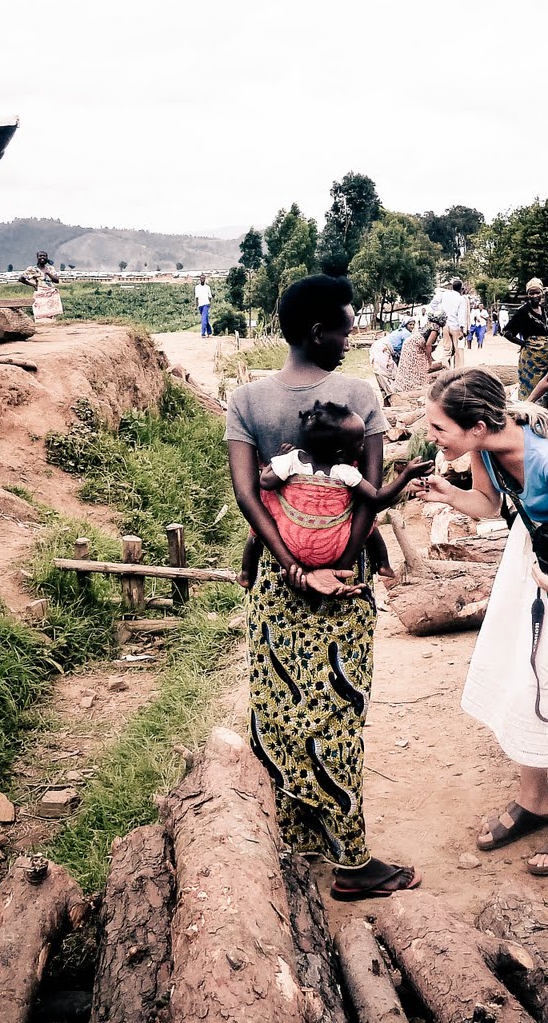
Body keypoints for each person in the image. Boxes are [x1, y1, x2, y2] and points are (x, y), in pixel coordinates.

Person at [225, 274, 418, 901]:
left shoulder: (248, 400)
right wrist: (339, 559)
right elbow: (367, 492)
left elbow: (250, 496)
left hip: (283, 584)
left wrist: (291, 565)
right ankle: (353, 863)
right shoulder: (357, 394)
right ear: (317, 331)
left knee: (280, 710)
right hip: (344, 580)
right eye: (344, 325)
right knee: (336, 712)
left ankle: (295, 841)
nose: (349, 335)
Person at [414, 368, 548, 875]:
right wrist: (449, 494)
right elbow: (489, 505)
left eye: (440, 428)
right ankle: (534, 799)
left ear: (480, 424)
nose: (431, 436)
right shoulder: (485, 446)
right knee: (520, 675)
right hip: (530, 561)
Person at [238, 400, 432, 590]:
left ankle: (246, 574)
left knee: (257, 527)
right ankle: (382, 563)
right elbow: (376, 496)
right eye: (359, 443)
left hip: (290, 544)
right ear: (340, 453)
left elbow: (266, 483)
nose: (363, 448)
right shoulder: (345, 471)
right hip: (333, 548)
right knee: (368, 522)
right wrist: (406, 475)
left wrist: (273, 463)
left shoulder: (291, 460)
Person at [503, 279, 548, 412]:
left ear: (542, 293)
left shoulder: (544, 309)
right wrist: (523, 344)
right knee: (531, 388)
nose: (535, 296)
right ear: (527, 294)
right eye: (531, 293)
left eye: (537, 293)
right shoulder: (522, 312)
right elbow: (506, 332)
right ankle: (529, 414)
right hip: (531, 359)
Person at [391, 313, 448, 395]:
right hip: (413, 346)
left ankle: (408, 387)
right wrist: (429, 362)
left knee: (414, 366)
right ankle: (411, 388)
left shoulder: (431, 324)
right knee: (417, 367)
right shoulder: (435, 327)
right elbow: (428, 344)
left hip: (413, 344)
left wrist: (430, 358)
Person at [18, 251, 63, 321]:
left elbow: (56, 280)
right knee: (40, 313)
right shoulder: (32, 269)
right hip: (40, 292)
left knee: (52, 315)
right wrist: (33, 285)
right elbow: (21, 279)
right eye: (40, 256)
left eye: (44, 256)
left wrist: (47, 273)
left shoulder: (50, 269)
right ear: (37, 258)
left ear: (47, 258)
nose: (42, 257)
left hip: (51, 293)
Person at [368, 330, 399, 396]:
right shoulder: (387, 341)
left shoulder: (377, 343)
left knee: (381, 380)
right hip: (383, 358)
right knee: (389, 378)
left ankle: (386, 400)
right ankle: (393, 398)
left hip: (375, 359)